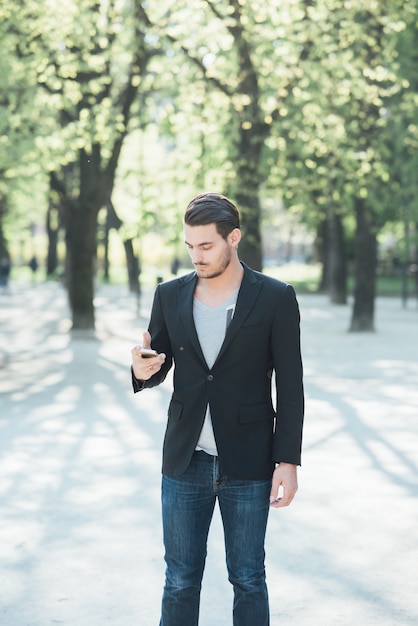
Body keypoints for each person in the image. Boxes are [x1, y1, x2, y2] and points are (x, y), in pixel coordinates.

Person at [131, 192, 304, 626]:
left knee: (248, 578)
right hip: (184, 459)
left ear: (234, 238)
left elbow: (291, 384)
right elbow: (158, 365)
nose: (196, 256)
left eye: (206, 246)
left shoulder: (275, 297)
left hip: (248, 460)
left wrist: (288, 461)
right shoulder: (169, 295)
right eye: (190, 246)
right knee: (180, 580)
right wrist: (140, 369)